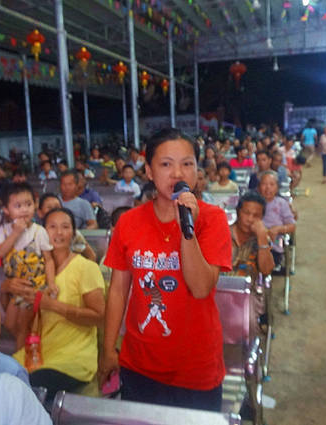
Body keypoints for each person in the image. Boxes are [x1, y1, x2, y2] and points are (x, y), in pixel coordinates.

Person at [99, 128, 232, 411]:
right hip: (139, 363)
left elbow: (200, 287)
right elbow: (119, 291)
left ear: (198, 169)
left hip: (195, 368)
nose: (177, 174)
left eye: (187, 163)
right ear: (148, 171)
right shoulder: (129, 222)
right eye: (166, 164)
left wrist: (189, 229)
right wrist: (108, 349)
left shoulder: (213, 219)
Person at [11, 207, 105, 407]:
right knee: (0, 376)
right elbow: (18, 325)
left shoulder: (86, 267)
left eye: (65, 227)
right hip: (38, 354)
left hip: (73, 358)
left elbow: (99, 316)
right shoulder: (36, 272)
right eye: (52, 227)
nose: (59, 233)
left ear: (74, 232)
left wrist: (51, 304)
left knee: (28, 386)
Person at [0, 182, 56, 349]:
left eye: (28, 204)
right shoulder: (5, 230)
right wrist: (16, 232)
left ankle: (22, 359)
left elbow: (49, 260)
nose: (24, 210)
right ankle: (30, 347)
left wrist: (51, 283)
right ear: (7, 210)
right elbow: (1, 252)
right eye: (18, 206)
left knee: (23, 325)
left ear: (35, 205)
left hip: (34, 285)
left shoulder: (39, 231)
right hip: (16, 287)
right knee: (9, 324)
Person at [229, 191, 275, 282]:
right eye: (246, 213)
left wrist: (261, 237)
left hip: (250, 291)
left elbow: (266, 270)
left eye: (256, 216)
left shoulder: (263, 238)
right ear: (238, 212)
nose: (250, 219)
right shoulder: (223, 233)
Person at [37, 193, 97, 262]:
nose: (54, 210)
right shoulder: (36, 233)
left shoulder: (73, 233)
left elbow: (91, 256)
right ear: (40, 213)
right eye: (49, 208)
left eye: (57, 207)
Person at [257, 172, 296, 270]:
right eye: (264, 184)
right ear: (259, 187)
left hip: (274, 246)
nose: (267, 188)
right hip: (255, 244)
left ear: (277, 187)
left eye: (271, 184)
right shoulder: (254, 203)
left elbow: (292, 226)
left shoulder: (281, 203)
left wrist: (279, 229)